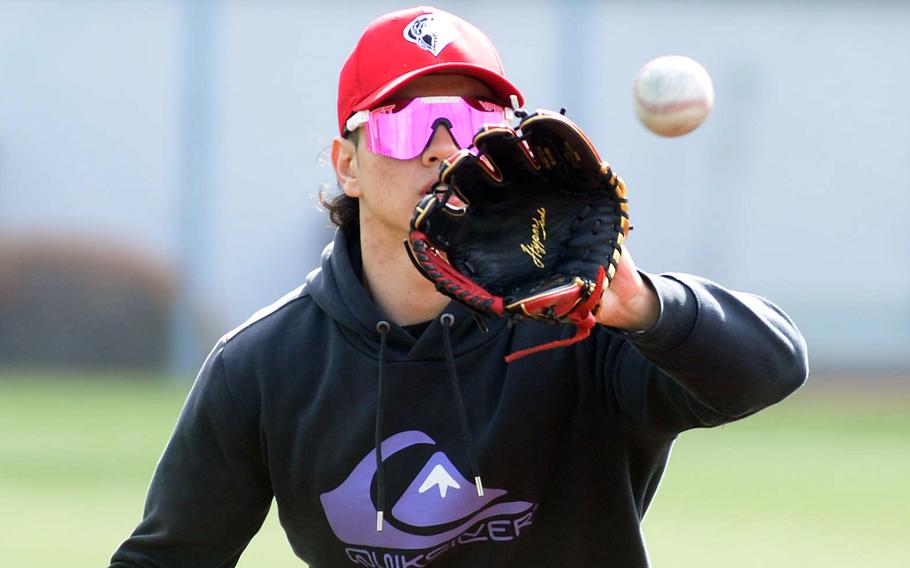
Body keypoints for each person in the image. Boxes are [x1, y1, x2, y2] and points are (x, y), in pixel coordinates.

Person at [110, 6, 808, 567]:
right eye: (408, 121)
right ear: (346, 165)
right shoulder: (263, 365)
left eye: (474, 119)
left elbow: (772, 370)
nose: (444, 145)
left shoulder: (579, 320)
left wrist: (645, 305)